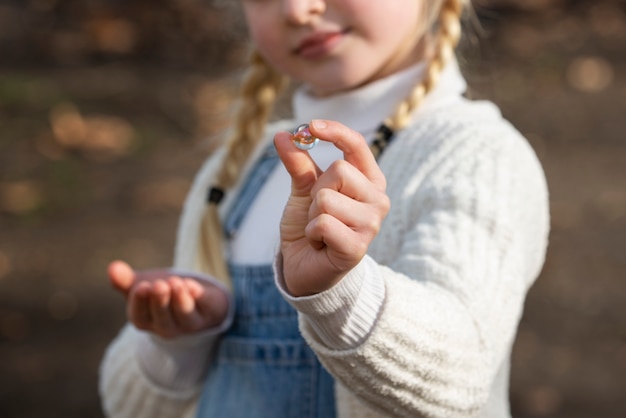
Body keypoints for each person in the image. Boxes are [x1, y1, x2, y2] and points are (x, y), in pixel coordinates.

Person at [99, 0, 550, 417]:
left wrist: (340, 294)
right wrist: (178, 342)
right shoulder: (234, 171)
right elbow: (129, 405)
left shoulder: (475, 155)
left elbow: (461, 374)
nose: (297, 10)